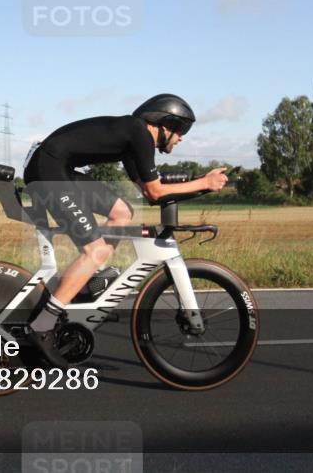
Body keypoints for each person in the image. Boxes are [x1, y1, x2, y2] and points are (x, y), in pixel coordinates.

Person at [22, 93, 230, 366]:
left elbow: (151, 194)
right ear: (165, 123)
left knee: (121, 212)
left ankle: (88, 280)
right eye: (181, 130)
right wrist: (204, 182)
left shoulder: (135, 140)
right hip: (48, 168)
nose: (181, 138)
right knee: (93, 250)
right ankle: (43, 325)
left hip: (55, 165)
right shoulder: (139, 134)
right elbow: (156, 190)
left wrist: (198, 185)